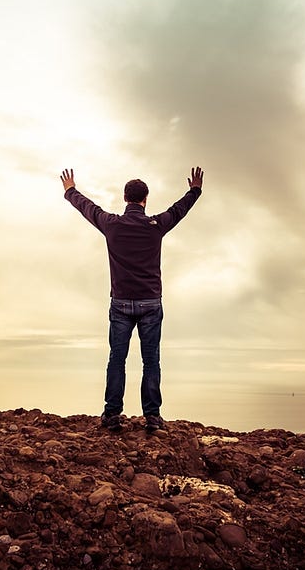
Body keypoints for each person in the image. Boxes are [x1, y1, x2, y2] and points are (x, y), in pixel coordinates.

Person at [61, 166, 204, 432]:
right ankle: (152, 418)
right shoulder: (156, 226)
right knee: (151, 361)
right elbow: (178, 210)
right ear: (145, 199)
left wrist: (70, 191)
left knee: (117, 358)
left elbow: (88, 208)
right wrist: (194, 190)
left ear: (125, 198)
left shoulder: (112, 224)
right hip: (150, 303)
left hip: (121, 304)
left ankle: (112, 415)